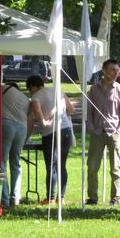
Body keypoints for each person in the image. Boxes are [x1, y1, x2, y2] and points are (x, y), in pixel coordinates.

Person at [86, 59, 120, 206]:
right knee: (92, 167)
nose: (116, 73)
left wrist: (119, 130)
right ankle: (92, 197)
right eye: (112, 70)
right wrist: (91, 127)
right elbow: (89, 111)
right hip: (97, 132)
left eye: (117, 70)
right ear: (104, 71)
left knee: (115, 167)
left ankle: (115, 198)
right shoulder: (94, 89)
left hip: (114, 133)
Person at [26, 75, 75, 205]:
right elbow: (71, 109)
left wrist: (43, 122)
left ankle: (50, 198)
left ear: (32, 87)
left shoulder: (35, 97)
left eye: (29, 90)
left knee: (51, 165)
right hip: (66, 129)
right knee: (62, 164)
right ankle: (61, 197)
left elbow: (38, 113)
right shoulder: (57, 90)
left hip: (50, 132)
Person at [1, 82, 30, 207]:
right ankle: (15, 198)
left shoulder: (3, 88)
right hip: (22, 128)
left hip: (6, 124)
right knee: (16, 162)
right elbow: (30, 119)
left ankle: (4, 199)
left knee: (1, 162)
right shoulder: (25, 98)